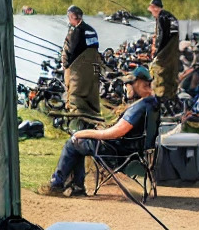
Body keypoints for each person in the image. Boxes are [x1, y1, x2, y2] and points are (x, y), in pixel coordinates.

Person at [37, 66, 159, 197]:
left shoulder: (139, 107)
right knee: (78, 142)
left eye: (128, 84)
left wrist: (83, 133)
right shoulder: (153, 103)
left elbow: (116, 133)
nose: (125, 87)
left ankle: (57, 184)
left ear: (139, 83)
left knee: (73, 142)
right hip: (134, 151)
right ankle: (76, 186)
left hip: (117, 154)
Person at [61, 5, 102, 119]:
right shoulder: (91, 30)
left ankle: (76, 118)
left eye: (69, 17)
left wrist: (65, 65)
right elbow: (95, 47)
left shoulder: (76, 31)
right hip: (93, 66)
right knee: (90, 92)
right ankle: (92, 114)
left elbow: (71, 50)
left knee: (74, 93)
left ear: (72, 17)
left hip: (77, 68)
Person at [147, 0, 179, 102]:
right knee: (171, 72)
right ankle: (171, 95)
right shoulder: (169, 16)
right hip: (173, 49)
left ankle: (160, 96)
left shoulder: (161, 18)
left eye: (151, 9)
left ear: (155, 8)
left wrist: (156, 52)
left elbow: (162, 37)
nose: (151, 13)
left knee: (158, 69)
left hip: (166, 49)